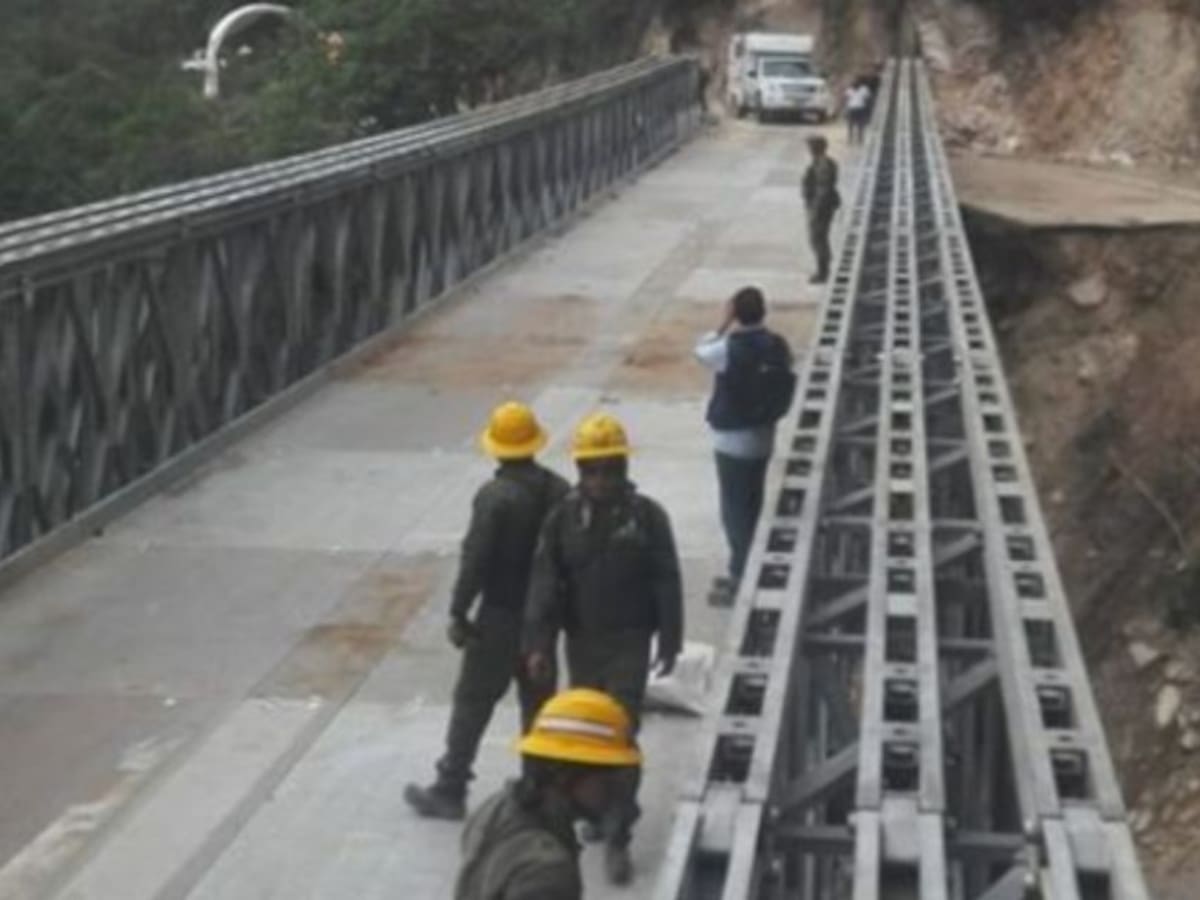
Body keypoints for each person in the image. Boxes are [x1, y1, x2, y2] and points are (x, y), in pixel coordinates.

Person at [523, 412, 684, 885]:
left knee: (620, 734)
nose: (601, 480)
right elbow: (545, 583)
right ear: (579, 472)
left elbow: (666, 579)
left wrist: (670, 639)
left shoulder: (648, 518)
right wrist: (539, 645)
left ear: (623, 468)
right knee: (581, 736)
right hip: (584, 642)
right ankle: (593, 811)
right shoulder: (563, 521)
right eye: (592, 470)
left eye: (610, 468)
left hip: (629, 642)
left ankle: (618, 836)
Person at [406, 401, 570, 821]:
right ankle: (537, 788)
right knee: (537, 705)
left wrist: (459, 611)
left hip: (499, 617)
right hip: (542, 624)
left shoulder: (495, 497)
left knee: (473, 701)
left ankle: (451, 787)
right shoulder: (559, 490)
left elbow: (475, 559)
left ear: (497, 448)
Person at [453, 688, 642, 900]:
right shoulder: (548, 872)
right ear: (566, 774)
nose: (615, 789)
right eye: (608, 776)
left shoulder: (498, 805)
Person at [695, 287, 795, 605]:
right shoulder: (777, 345)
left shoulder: (728, 348)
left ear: (736, 313)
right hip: (763, 437)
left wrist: (723, 323)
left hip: (732, 440)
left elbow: (700, 352)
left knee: (735, 513)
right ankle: (748, 567)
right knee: (752, 505)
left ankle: (741, 576)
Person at [802, 135, 840, 285]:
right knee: (818, 239)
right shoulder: (821, 162)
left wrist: (815, 210)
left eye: (810, 146)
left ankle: (823, 272)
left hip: (821, 208)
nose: (809, 149)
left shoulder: (823, 164)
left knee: (818, 239)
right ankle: (823, 268)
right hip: (819, 206)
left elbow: (823, 190)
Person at [844, 80, 872, 145]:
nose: (855, 85)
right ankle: (850, 139)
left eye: (856, 84)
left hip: (860, 109)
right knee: (850, 125)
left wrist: (866, 106)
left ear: (859, 84)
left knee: (860, 125)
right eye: (854, 84)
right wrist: (846, 108)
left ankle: (860, 139)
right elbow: (846, 99)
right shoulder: (849, 90)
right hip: (852, 109)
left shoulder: (864, 89)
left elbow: (868, 98)